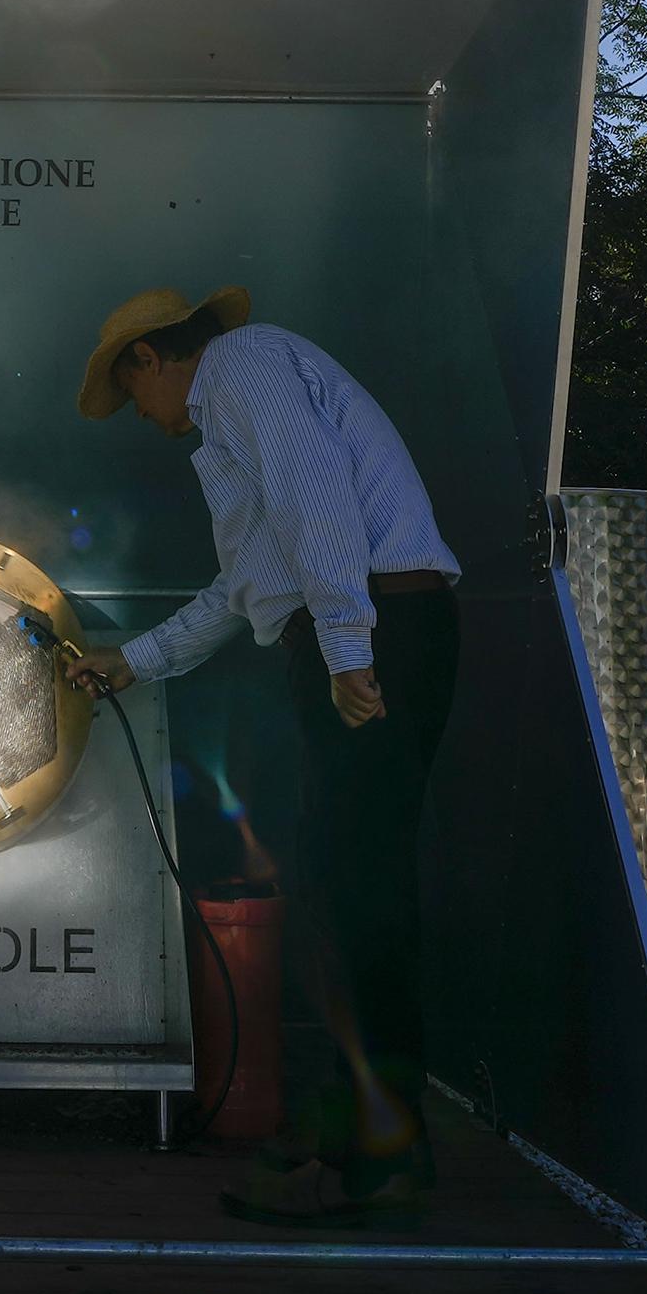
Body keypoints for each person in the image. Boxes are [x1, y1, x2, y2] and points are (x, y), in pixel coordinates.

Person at [67, 285, 460, 1220]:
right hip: (368, 627)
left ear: (148, 359)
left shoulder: (241, 367)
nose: (148, 423)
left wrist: (348, 650)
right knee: (337, 891)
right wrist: (136, 661)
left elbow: (313, 499)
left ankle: (385, 1164)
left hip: (377, 631)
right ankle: (353, 1134)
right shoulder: (249, 390)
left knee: (358, 900)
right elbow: (249, 580)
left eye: (135, 399)